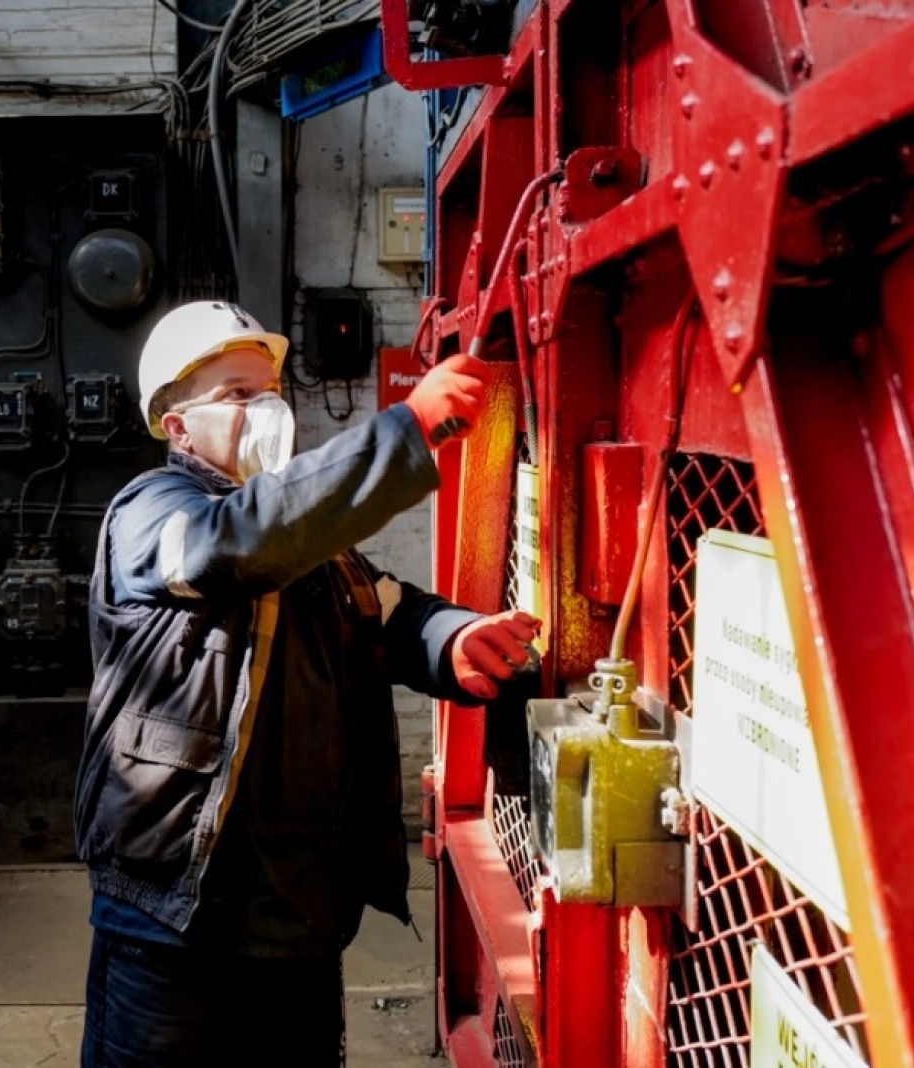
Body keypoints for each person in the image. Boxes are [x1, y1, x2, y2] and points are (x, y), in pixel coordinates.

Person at [73, 299, 542, 1066]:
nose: (264, 409)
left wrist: (452, 638)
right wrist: (402, 432)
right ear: (176, 425)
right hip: (172, 913)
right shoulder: (152, 516)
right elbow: (236, 546)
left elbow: (384, 610)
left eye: (269, 391)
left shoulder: (307, 537)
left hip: (294, 915)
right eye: (235, 394)